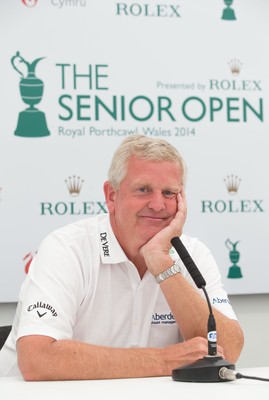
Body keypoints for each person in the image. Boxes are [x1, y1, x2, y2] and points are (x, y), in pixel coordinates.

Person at [0, 135, 244, 380]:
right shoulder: (67, 248)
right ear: (111, 196)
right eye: (143, 189)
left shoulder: (194, 254)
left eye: (169, 192)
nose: (158, 205)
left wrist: (161, 263)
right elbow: (36, 360)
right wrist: (166, 360)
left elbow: (228, 351)